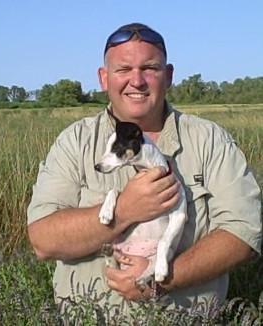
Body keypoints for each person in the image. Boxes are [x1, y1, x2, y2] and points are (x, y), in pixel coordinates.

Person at [27, 23, 262, 321]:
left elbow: (244, 232)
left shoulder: (210, 140)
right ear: (104, 78)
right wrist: (124, 210)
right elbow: (43, 240)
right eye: (123, 69)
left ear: (169, 75)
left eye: (149, 68)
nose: (136, 81)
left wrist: (163, 278)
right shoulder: (74, 142)